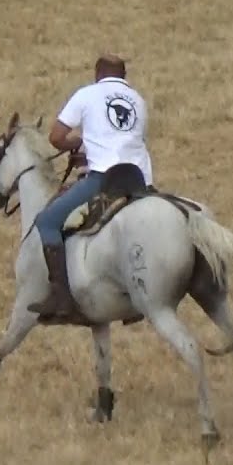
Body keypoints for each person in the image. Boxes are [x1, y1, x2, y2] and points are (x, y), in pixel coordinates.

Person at [29, 54, 155, 323]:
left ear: (98, 74)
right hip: (141, 181)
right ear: (123, 75)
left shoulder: (87, 95)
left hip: (104, 178)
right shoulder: (139, 102)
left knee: (47, 222)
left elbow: (56, 137)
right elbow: (126, 140)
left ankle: (61, 297)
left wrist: (77, 141)